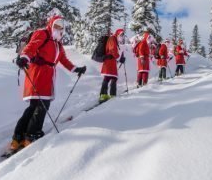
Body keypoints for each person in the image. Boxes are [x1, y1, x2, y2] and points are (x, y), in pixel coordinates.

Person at [11, 15, 86, 151]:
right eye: (56, 25)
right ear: (51, 24)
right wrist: (24, 57)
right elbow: (31, 47)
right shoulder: (42, 33)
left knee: (35, 106)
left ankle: (19, 137)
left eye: (61, 27)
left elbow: (64, 60)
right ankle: (31, 135)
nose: (59, 28)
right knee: (41, 105)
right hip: (38, 74)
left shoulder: (58, 44)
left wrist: (76, 69)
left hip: (48, 77)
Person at [99, 29, 126, 103]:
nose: (122, 36)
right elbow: (112, 50)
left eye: (123, 35)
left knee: (111, 77)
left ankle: (108, 95)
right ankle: (107, 95)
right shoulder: (112, 39)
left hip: (112, 62)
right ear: (117, 34)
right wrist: (119, 58)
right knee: (109, 77)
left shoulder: (115, 40)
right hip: (109, 62)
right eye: (121, 35)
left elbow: (115, 50)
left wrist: (120, 57)